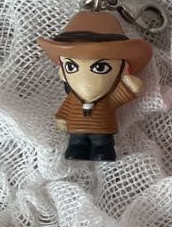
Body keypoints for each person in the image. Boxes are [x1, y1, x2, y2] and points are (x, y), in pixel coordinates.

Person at [37, 10, 152, 161]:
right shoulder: (74, 97)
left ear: (122, 69)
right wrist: (62, 117)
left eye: (100, 67)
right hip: (77, 129)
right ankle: (76, 148)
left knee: (102, 144)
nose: (85, 78)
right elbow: (66, 108)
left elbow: (117, 99)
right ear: (63, 72)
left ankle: (102, 150)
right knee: (76, 143)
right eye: (71, 67)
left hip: (103, 129)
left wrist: (129, 87)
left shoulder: (106, 97)